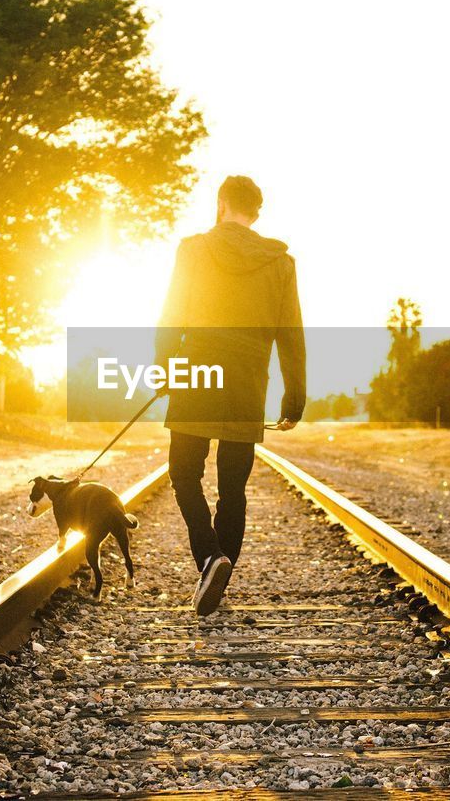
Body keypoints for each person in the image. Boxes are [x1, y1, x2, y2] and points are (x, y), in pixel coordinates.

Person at [154, 174, 305, 616]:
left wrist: (165, 368)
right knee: (232, 487)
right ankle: (221, 566)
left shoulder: (193, 249)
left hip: (197, 373)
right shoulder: (281, 263)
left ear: (220, 205)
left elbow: (171, 314)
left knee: (183, 474)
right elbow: (290, 335)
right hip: (247, 381)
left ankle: (208, 557)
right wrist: (294, 397)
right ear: (256, 213)